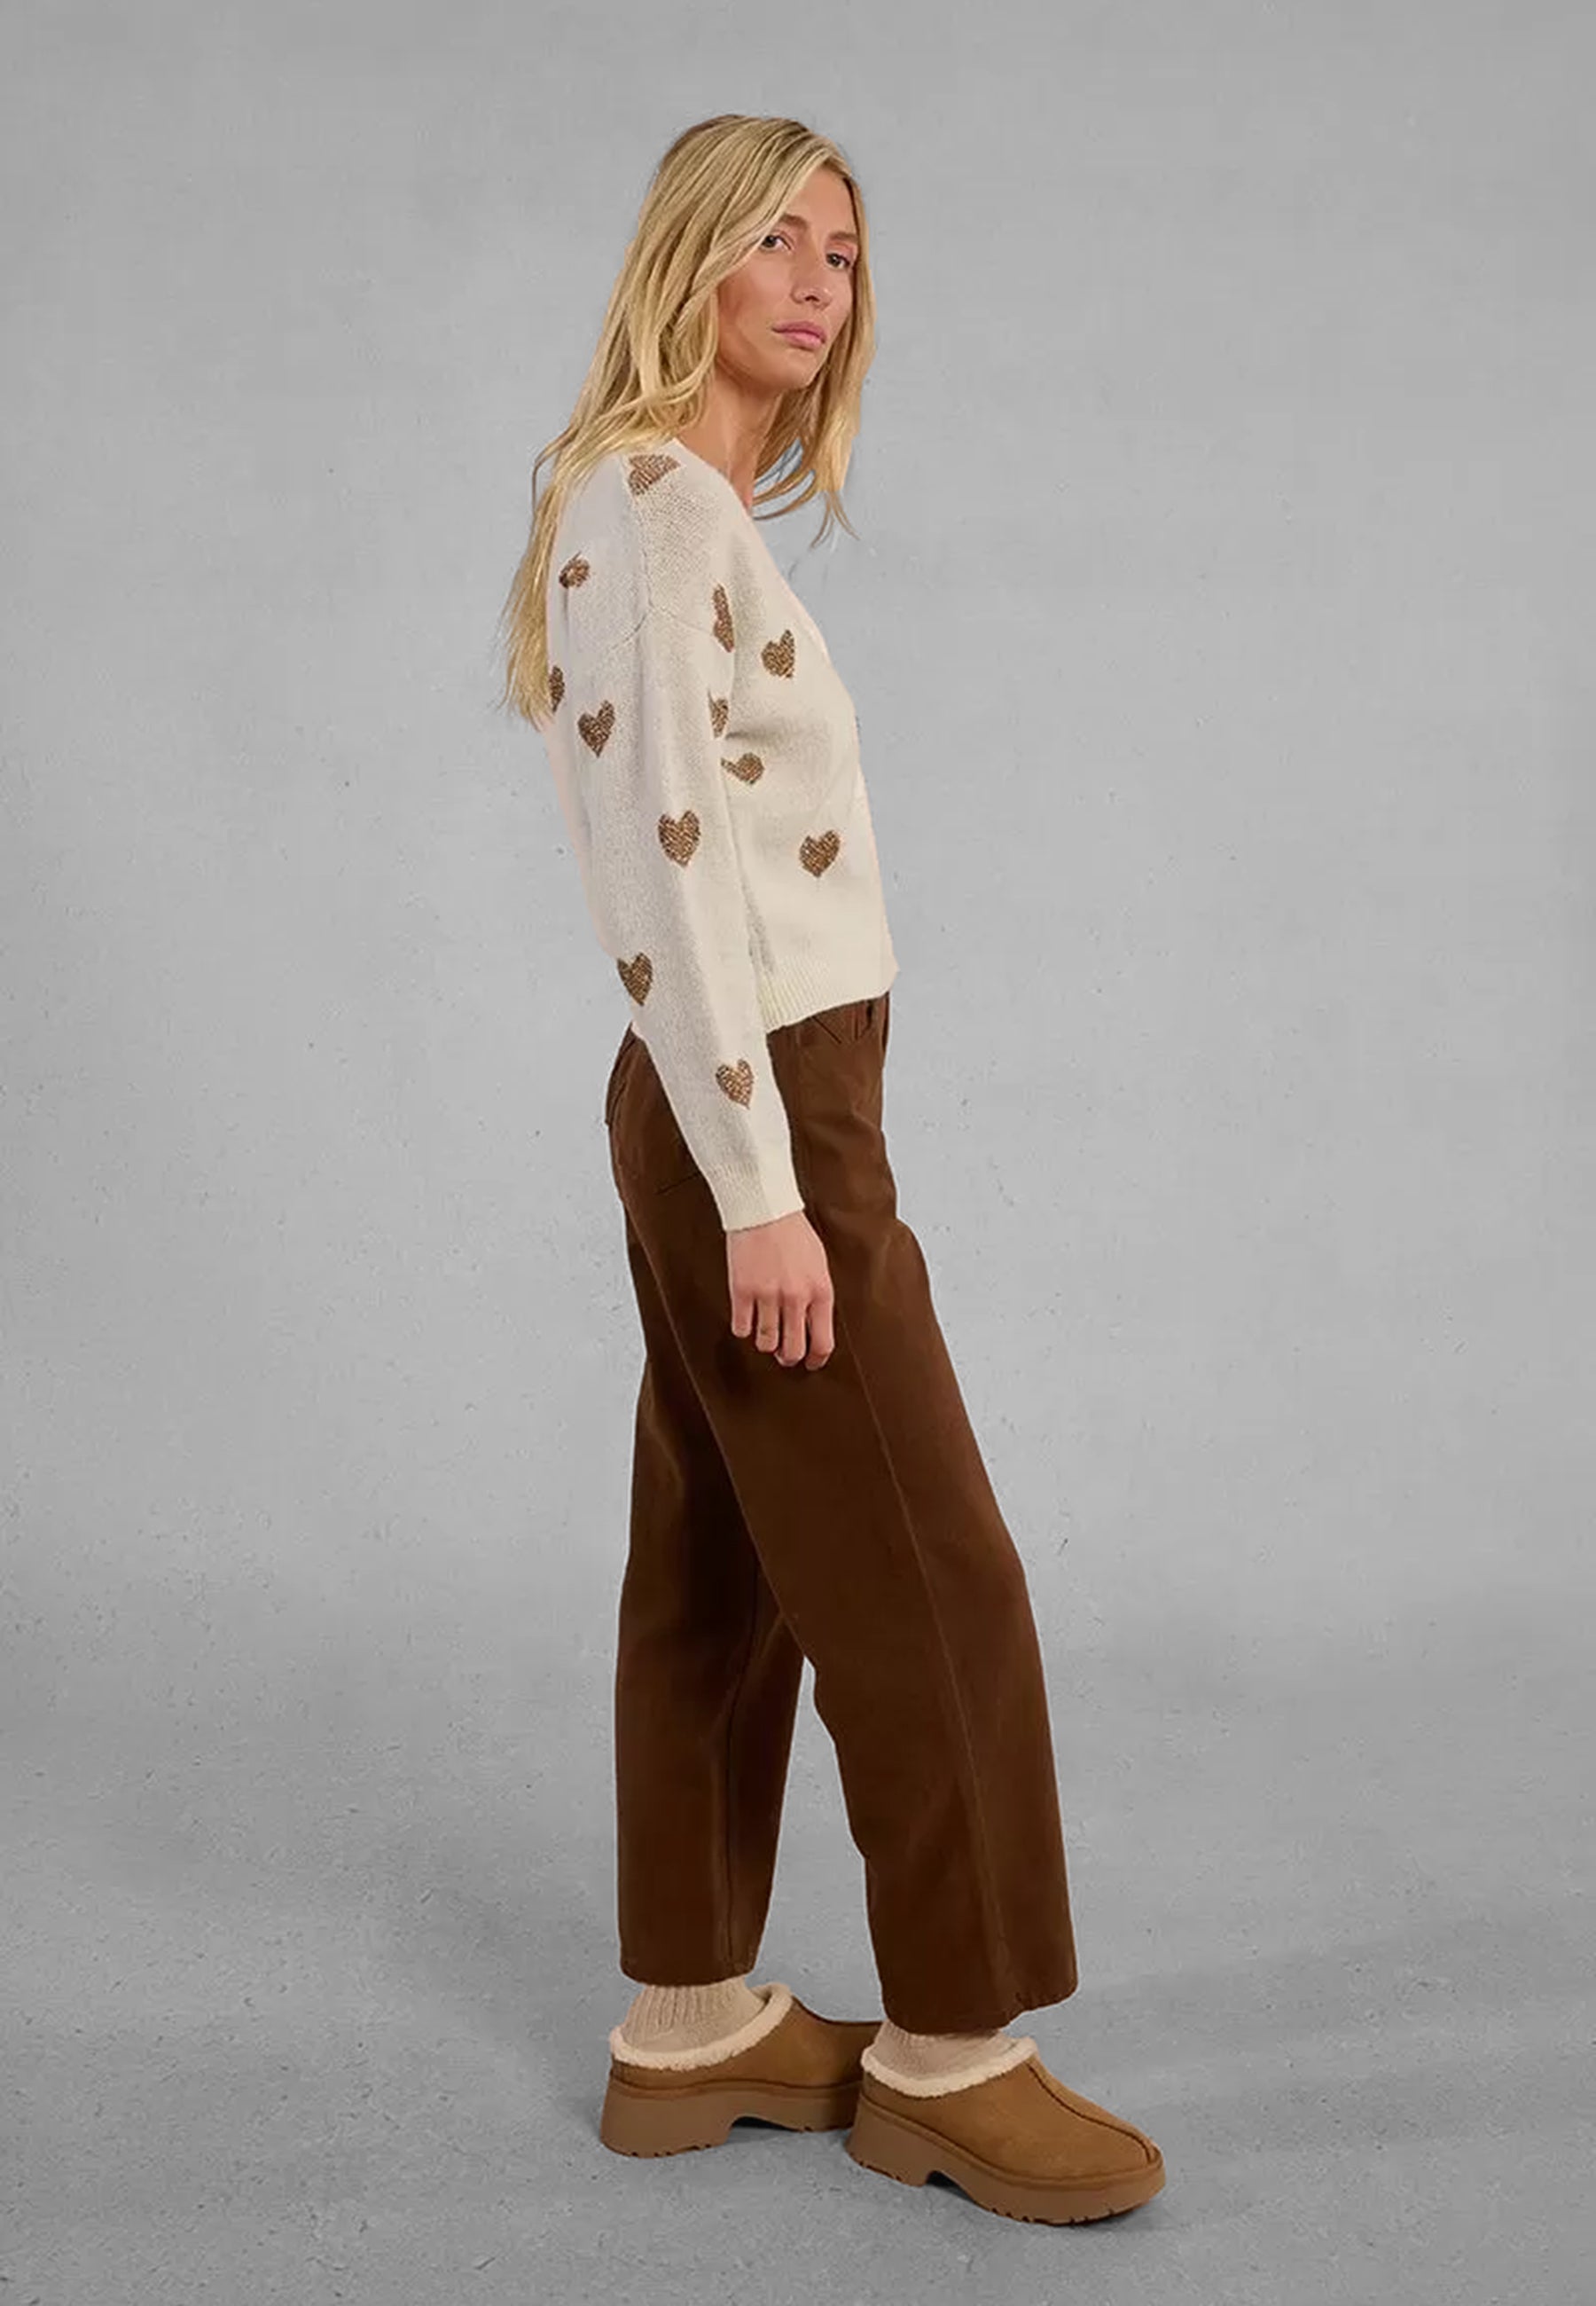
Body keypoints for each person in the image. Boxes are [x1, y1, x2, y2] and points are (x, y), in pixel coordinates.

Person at [497, 113, 1164, 2226]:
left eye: (844, 252)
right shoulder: (648, 509)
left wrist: (752, 1152)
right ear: (687, 258)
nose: (814, 279)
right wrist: (765, 1185)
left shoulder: (672, 510)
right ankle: (957, 2052)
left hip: (750, 1101)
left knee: (725, 1561)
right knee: (938, 1574)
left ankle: (690, 2021)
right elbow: (664, 873)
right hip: (758, 1110)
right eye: (774, 237)